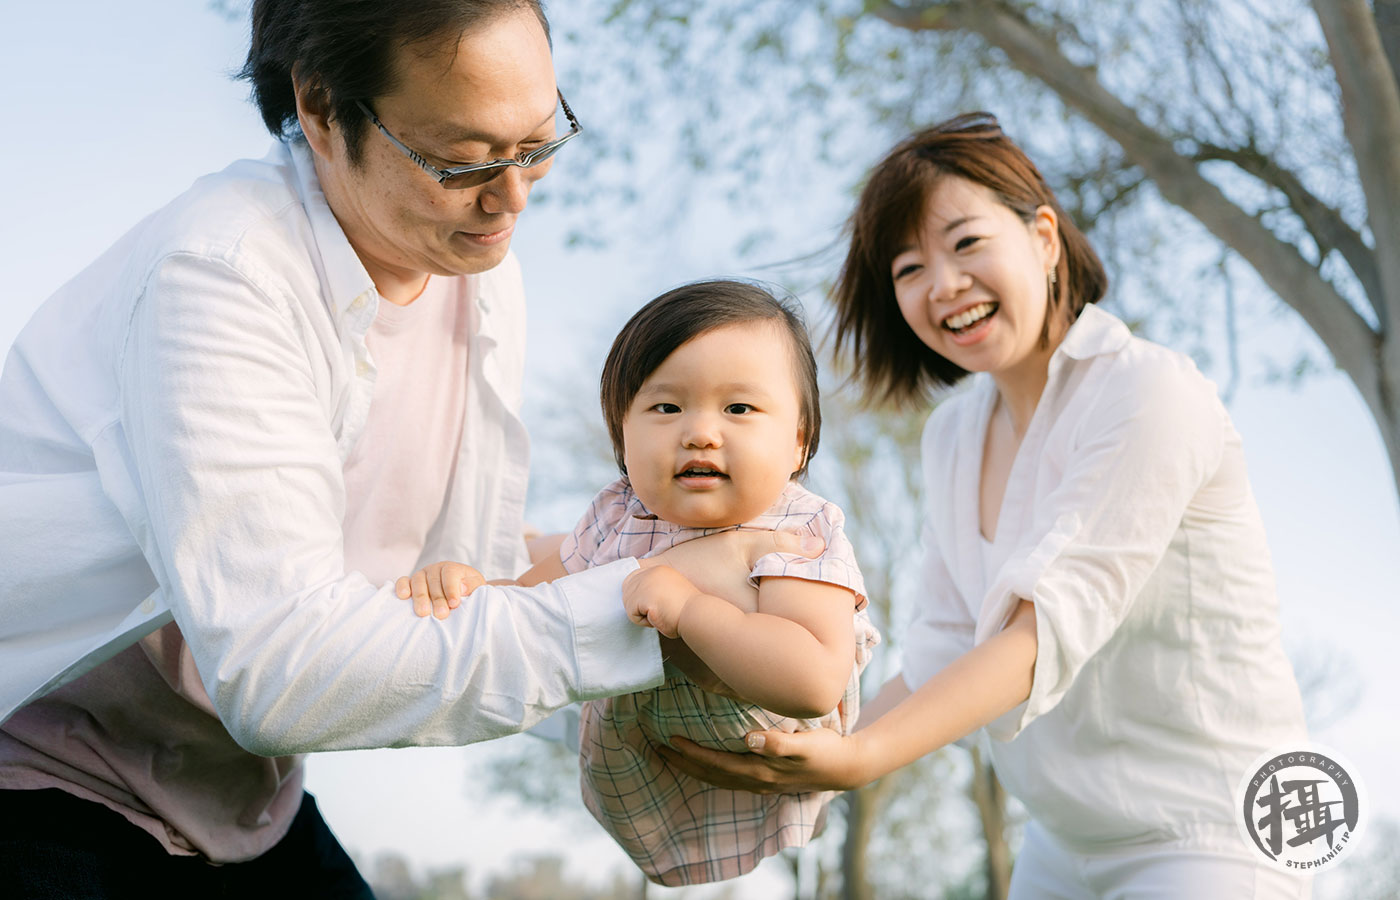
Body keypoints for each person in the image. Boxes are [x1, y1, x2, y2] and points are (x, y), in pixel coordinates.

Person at [0, 2, 814, 896]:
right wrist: (652, 605)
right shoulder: (221, 278)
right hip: (42, 775)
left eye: (540, 142)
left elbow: (464, 579)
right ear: (319, 108)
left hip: (231, 794)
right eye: (462, 161)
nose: (511, 198)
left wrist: (742, 632)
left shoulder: (480, 274)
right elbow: (284, 672)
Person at [654, 114, 1311, 899]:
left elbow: (1043, 631)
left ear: (1043, 236)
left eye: (965, 244)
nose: (943, 285)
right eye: (908, 268)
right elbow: (942, 647)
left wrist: (863, 760)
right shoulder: (955, 432)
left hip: (1215, 833)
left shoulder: (1148, 392)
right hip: (1062, 840)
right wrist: (791, 747)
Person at [400, 280, 879, 886]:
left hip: (763, 758)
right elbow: (533, 605)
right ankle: (521, 533)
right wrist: (470, 586)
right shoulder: (617, 514)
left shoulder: (798, 527)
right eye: (666, 407)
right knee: (546, 556)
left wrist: (691, 611)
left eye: (739, 408)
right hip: (650, 774)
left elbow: (811, 682)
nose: (701, 432)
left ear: (798, 443)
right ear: (622, 438)